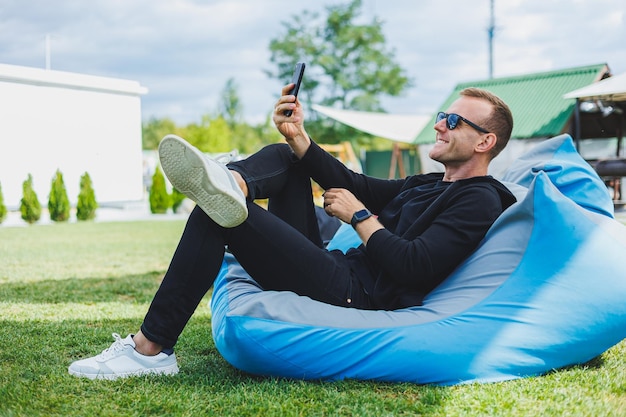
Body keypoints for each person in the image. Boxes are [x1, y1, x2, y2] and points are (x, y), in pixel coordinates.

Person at [68, 85, 516, 380]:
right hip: (337, 269)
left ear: (484, 142)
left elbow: (415, 266)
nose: (440, 124)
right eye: (443, 114)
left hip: (357, 292)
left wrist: (360, 218)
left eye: (453, 121)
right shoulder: (427, 181)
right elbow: (356, 183)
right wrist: (299, 136)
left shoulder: (479, 198)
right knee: (286, 157)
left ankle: (150, 351)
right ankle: (235, 180)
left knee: (216, 212)